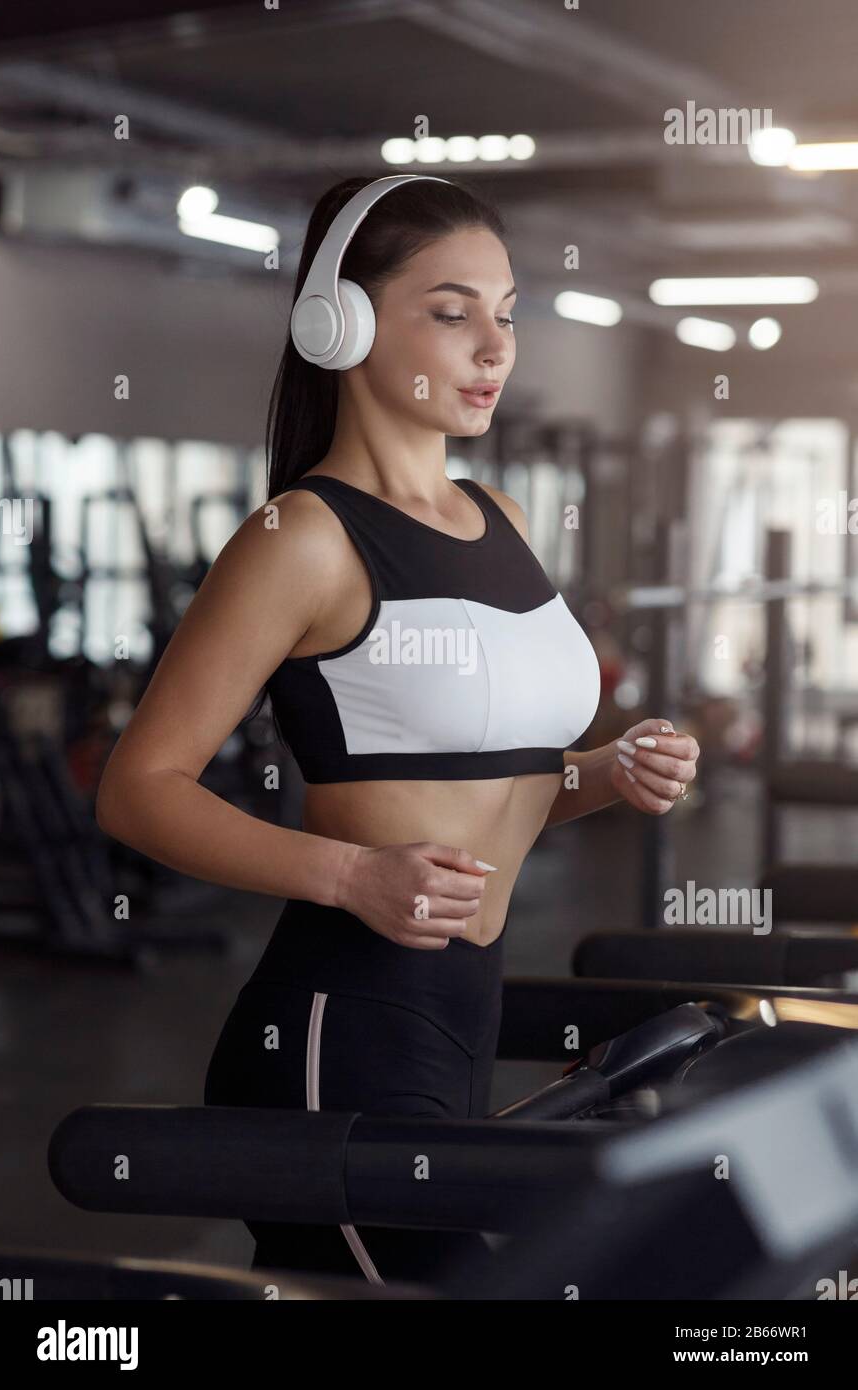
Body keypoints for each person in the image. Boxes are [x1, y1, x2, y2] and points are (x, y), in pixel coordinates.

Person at [95, 173, 699, 1289]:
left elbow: (495, 779)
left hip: (464, 1006)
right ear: (346, 322)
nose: (493, 348)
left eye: (507, 313)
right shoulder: (302, 539)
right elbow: (140, 786)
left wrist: (607, 772)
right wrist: (351, 875)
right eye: (452, 309)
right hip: (343, 1019)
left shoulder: (500, 518)